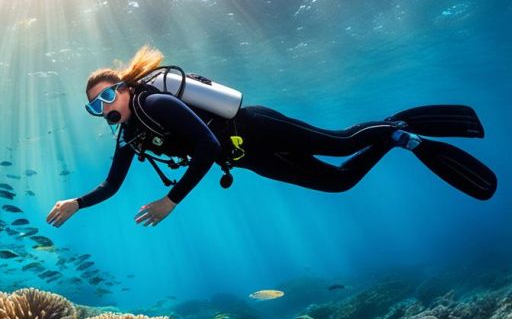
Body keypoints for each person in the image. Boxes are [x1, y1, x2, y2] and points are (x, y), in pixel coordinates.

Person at [47, 46, 497, 228]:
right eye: (95, 105)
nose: (104, 106)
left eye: (107, 95)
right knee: (339, 182)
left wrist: (172, 201)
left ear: (124, 88)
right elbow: (112, 185)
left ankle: (395, 125)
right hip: (247, 158)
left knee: (341, 142)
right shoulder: (130, 135)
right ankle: (395, 139)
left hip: (256, 127)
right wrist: (76, 202)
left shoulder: (155, 104)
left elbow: (205, 145)